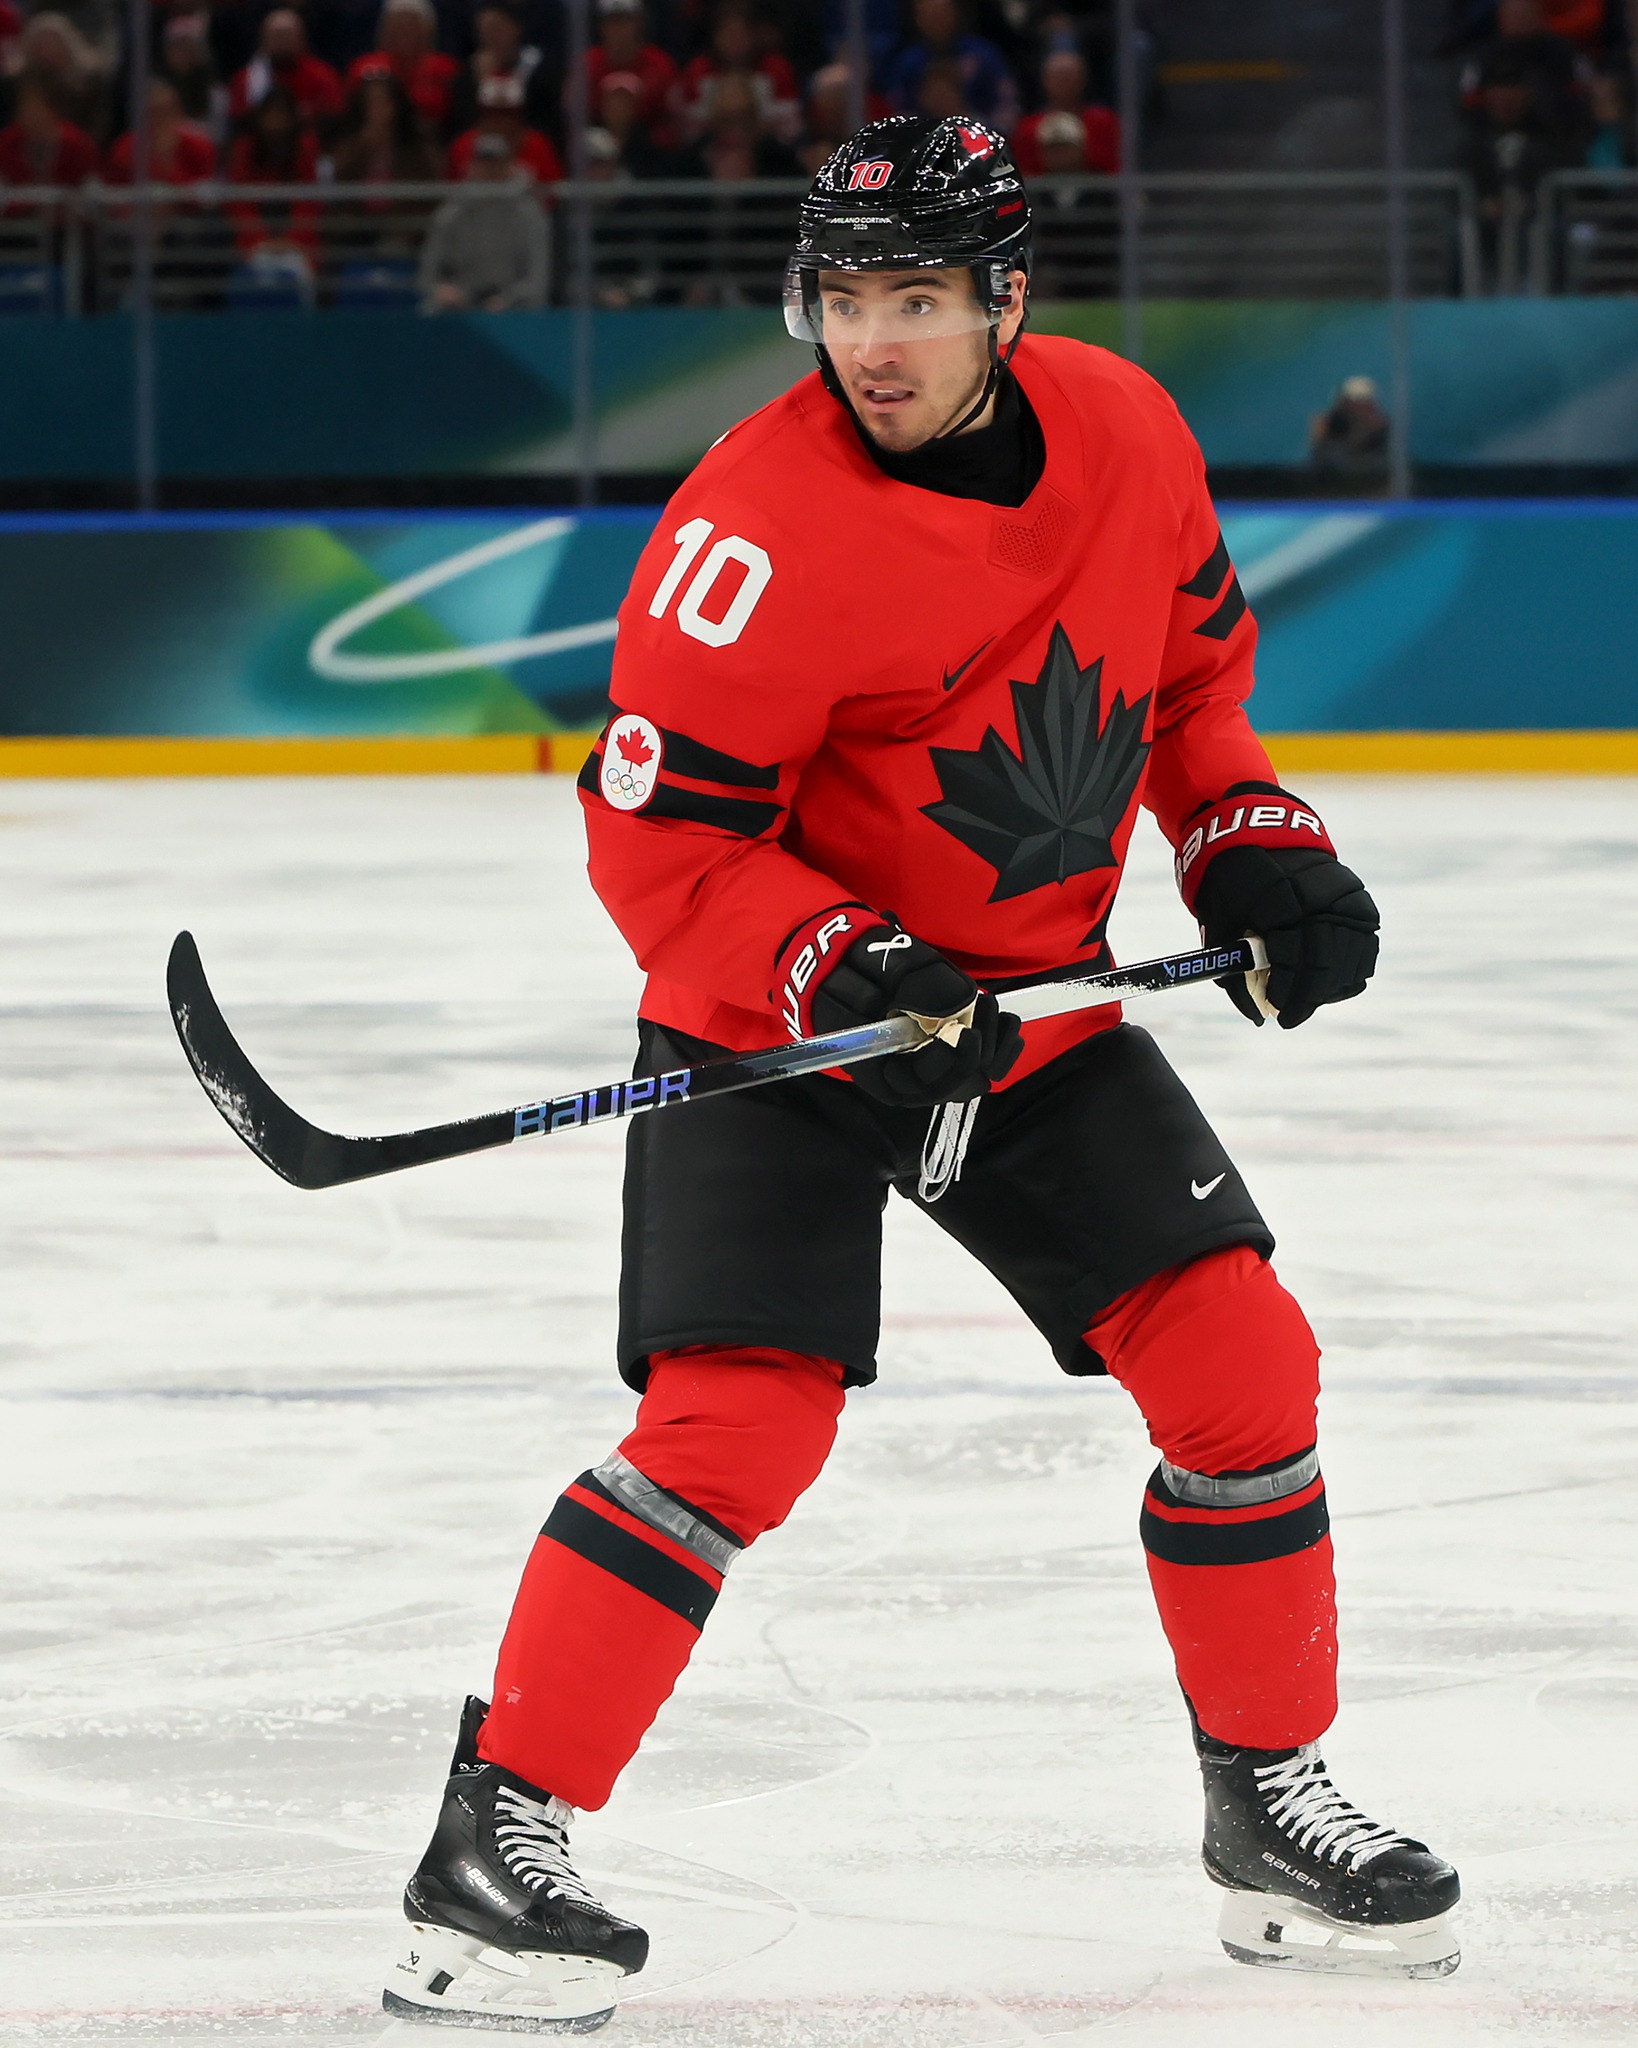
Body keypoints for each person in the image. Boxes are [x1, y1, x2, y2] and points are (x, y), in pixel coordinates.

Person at [385, 113, 1461, 2033]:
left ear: (1004, 301)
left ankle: (1264, 1807)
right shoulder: (745, 536)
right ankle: (499, 1834)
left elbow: (1189, 698)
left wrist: (1252, 843)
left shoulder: (1126, 435)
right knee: (737, 1428)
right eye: (843, 301)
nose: (870, 343)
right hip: (780, 1032)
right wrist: (838, 958)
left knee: (1239, 1364)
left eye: (915, 300)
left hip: (1028, 1015)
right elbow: (661, 853)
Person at [419, 127, 547, 308]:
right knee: (431, 308)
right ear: (472, 166)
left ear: (510, 166)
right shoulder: (452, 212)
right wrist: (442, 290)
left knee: (532, 306)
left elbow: (537, 280)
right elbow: (427, 275)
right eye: (484, 162)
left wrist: (507, 299)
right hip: (463, 297)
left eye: (497, 163)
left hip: (513, 300)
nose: (491, 170)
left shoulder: (529, 213)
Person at [887, 0, 1017, 131]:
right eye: (928, 14)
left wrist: (963, 114)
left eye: (940, 14)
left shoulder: (982, 56)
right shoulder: (910, 62)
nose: (936, 20)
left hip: (978, 137)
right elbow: (898, 115)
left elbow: (1007, 112)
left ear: (955, 13)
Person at [347, 0, 459, 133]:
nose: (405, 30)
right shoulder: (364, 68)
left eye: (412, 23)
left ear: (427, 29)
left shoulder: (446, 70)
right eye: (398, 24)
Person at [228, 8, 344, 129]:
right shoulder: (246, 78)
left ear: (302, 39)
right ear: (263, 40)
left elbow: (334, 113)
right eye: (276, 36)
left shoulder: (323, 75)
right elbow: (238, 117)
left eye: (287, 35)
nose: (282, 42)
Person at [1011, 47, 1119, 176]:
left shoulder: (1103, 122)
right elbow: (1024, 174)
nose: (1064, 82)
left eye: (1069, 76)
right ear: (1045, 81)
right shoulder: (1027, 129)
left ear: (1083, 79)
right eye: (1058, 76)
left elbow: (1113, 170)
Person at [446, 72, 561, 181]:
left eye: (507, 114)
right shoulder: (463, 146)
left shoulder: (538, 145)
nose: (500, 121)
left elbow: (552, 194)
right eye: (492, 113)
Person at [1308, 375, 1391, 483]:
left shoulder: (1381, 431)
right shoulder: (1329, 429)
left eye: (1362, 403)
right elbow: (1318, 462)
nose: (1356, 409)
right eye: (1351, 402)